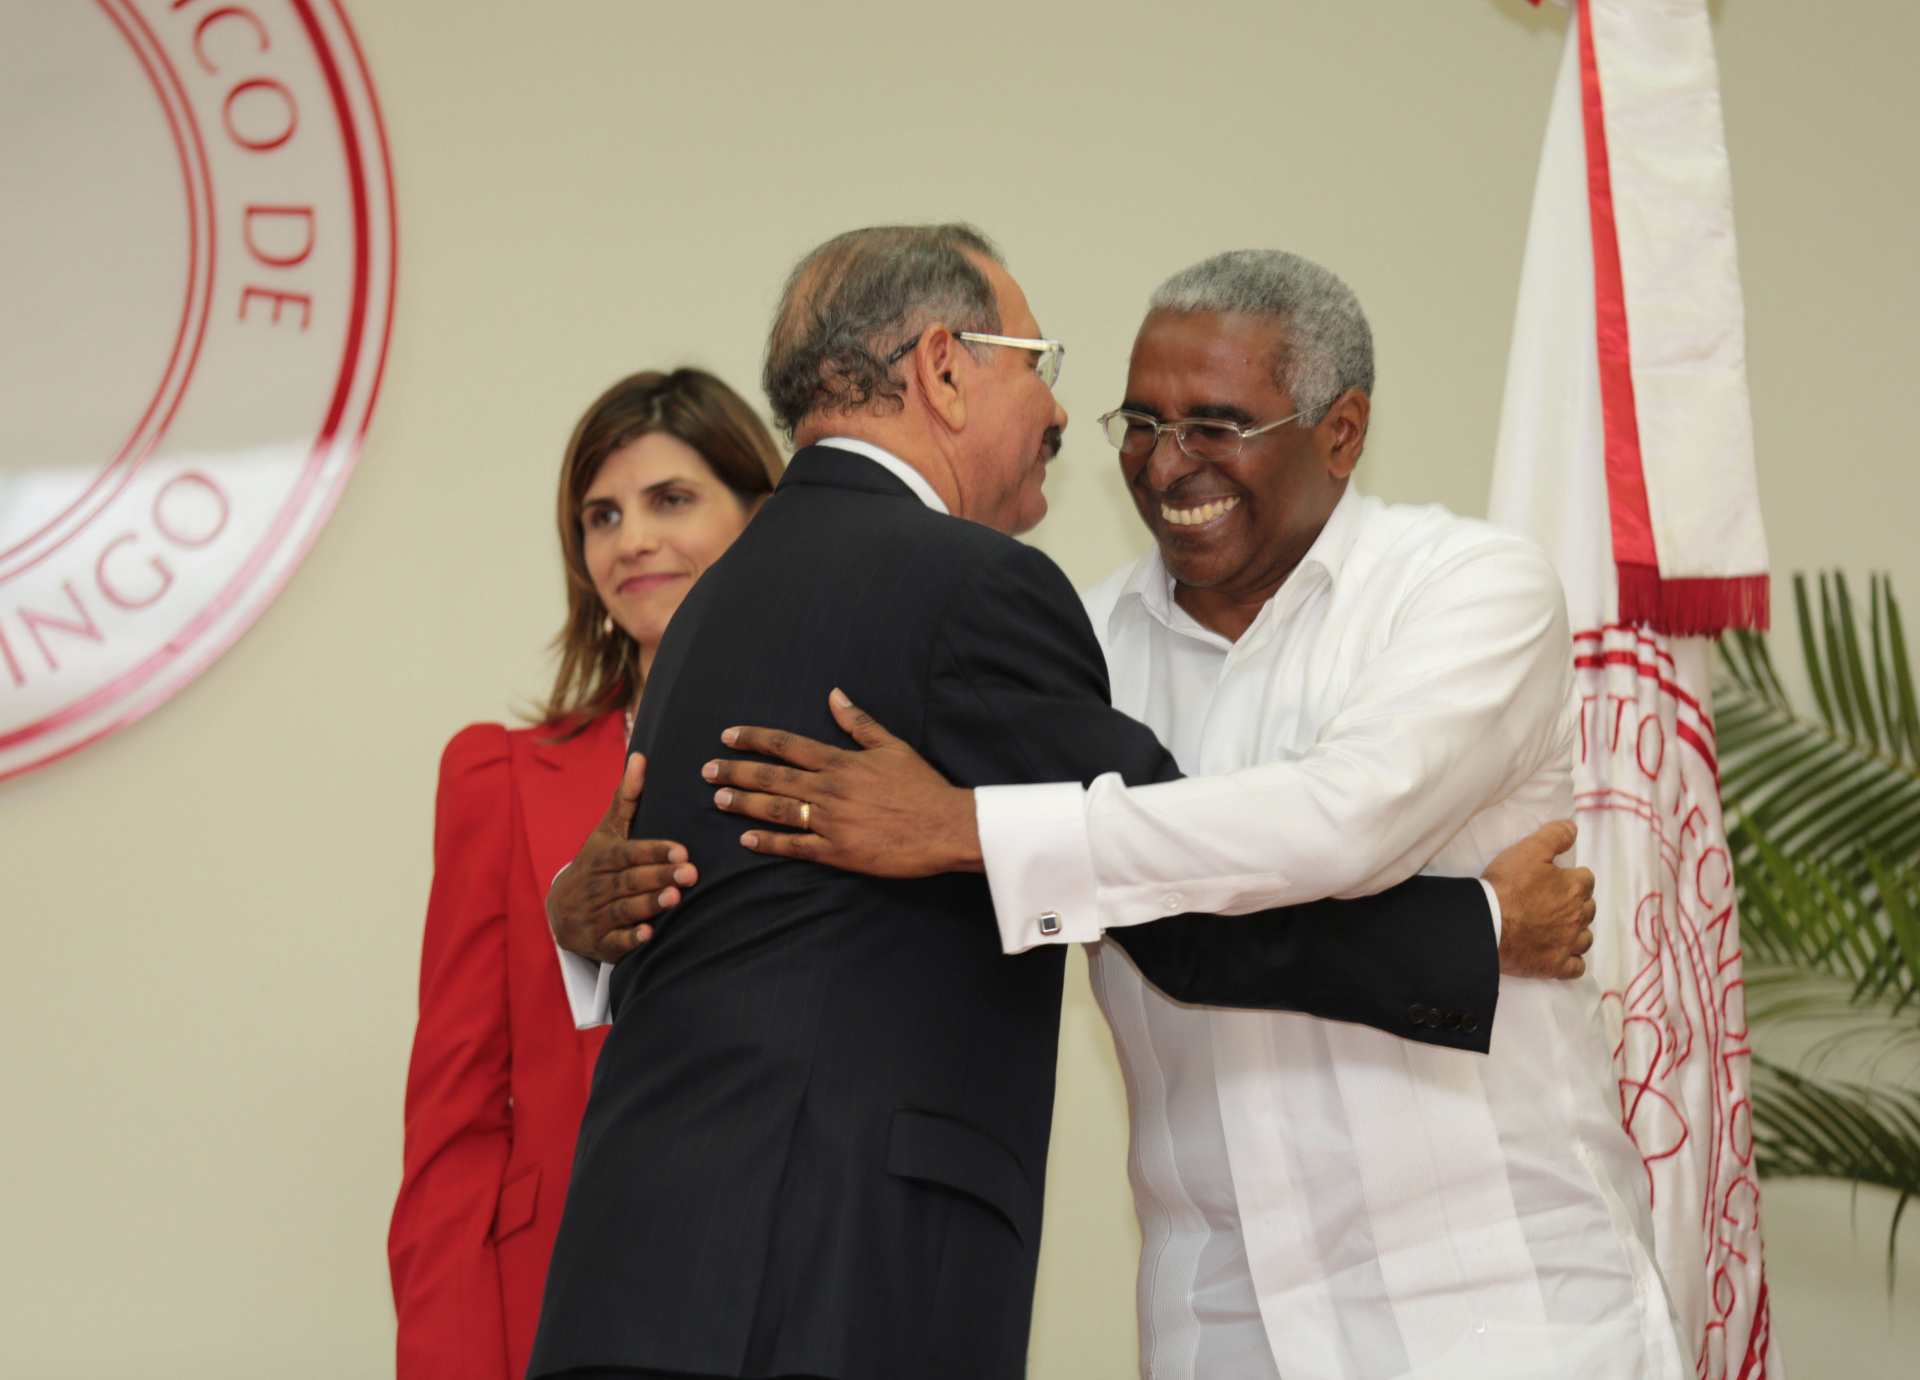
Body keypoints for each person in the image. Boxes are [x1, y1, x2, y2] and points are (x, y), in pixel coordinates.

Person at [529, 226, 1592, 1380]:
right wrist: (1474, 931)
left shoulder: (714, 606)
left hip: (643, 1284)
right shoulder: (971, 590)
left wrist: (958, 832)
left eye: (1214, 425)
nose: (1060, 414)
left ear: (1341, 429)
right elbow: (1179, 923)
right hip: (825, 1279)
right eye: (1040, 364)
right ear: (944, 370)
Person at [387, 369, 783, 1380]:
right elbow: (453, 1125)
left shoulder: (843, 769)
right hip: (556, 1307)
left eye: (670, 499)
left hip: (787, 1296)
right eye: (602, 515)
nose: (631, 539)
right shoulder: (498, 779)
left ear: (763, 515)